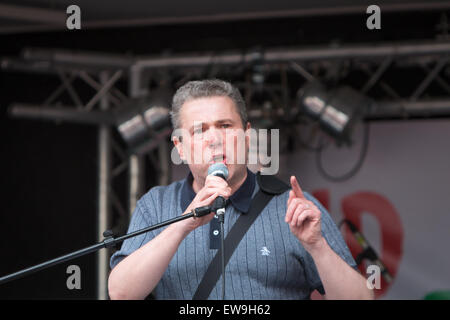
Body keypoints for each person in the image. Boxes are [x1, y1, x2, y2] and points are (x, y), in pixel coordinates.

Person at [108, 79, 373, 300]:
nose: (215, 139)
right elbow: (121, 293)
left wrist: (317, 246)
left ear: (247, 135)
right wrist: (183, 225)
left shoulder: (292, 205)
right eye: (200, 130)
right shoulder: (157, 205)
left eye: (225, 126)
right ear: (180, 145)